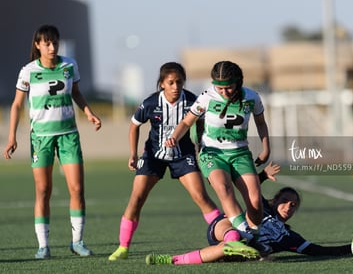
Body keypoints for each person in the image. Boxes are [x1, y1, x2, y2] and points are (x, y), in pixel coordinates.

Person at [3, 25, 102, 259]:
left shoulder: (69, 65)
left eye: (55, 42)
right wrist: (11, 137)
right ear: (37, 45)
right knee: (43, 190)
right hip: (41, 138)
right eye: (46, 43)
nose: (52, 47)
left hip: (68, 135)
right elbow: (17, 105)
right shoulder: (28, 71)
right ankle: (43, 246)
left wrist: (88, 112)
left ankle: (77, 242)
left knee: (77, 189)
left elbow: (76, 93)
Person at [108, 62, 221, 261]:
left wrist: (200, 144)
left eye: (179, 82)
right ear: (162, 84)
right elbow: (134, 126)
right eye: (171, 82)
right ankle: (123, 247)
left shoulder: (192, 100)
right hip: (153, 156)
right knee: (137, 198)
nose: (176, 86)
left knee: (201, 196)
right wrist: (133, 154)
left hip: (183, 155)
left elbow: (200, 121)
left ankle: (225, 236)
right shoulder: (151, 103)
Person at [146, 172, 351, 265]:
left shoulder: (288, 237)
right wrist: (261, 175)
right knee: (233, 232)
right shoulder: (263, 207)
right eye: (286, 200)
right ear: (275, 199)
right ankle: (234, 241)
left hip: (237, 248)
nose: (289, 206)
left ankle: (170, 261)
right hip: (224, 227)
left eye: (294, 205)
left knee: (226, 248)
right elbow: (247, 188)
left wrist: (350, 248)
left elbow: (317, 250)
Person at [165, 60, 270, 239]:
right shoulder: (207, 97)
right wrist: (174, 136)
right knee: (224, 189)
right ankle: (247, 237)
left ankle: (256, 235)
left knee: (255, 201)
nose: (224, 92)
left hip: (240, 153)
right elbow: (186, 122)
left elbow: (260, 123)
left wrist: (266, 148)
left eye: (228, 87)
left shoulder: (252, 97)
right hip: (212, 153)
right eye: (219, 88)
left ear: (239, 82)